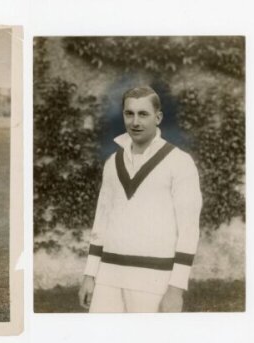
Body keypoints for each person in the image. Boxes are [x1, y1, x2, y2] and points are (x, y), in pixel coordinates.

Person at [78, 86, 202, 313]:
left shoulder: (180, 162)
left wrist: (176, 289)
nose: (135, 121)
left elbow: (189, 229)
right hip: (109, 277)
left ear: (158, 117)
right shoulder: (112, 163)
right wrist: (90, 274)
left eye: (143, 114)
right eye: (129, 113)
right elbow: (101, 221)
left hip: (154, 280)